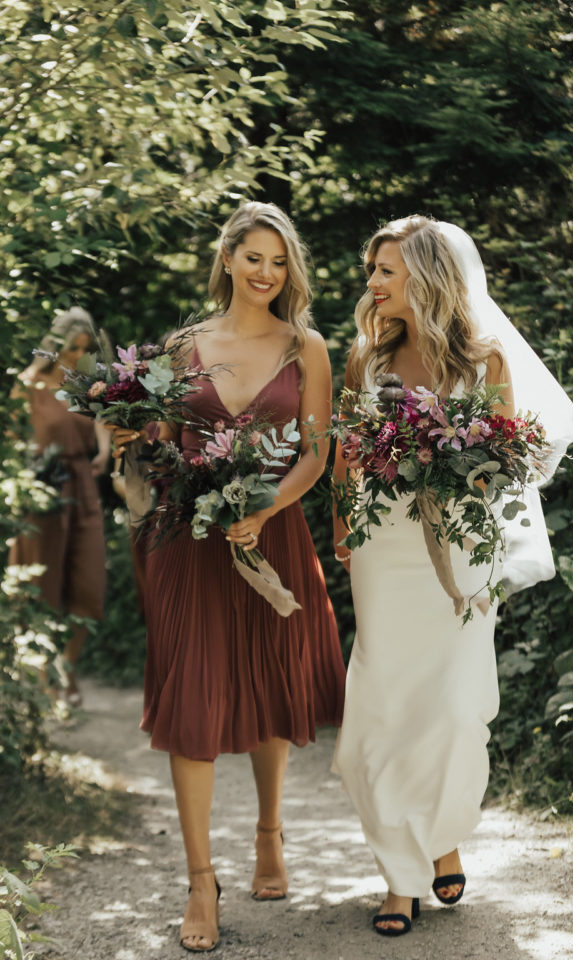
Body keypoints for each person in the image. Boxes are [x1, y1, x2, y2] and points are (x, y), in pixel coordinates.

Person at [332, 216, 573, 937]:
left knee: (448, 708)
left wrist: (455, 471)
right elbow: (348, 454)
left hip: (460, 549)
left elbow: (509, 467)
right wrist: (341, 526)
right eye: (373, 270)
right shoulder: (366, 361)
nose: (372, 283)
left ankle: (439, 838)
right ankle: (399, 878)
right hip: (383, 548)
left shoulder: (487, 361)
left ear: (425, 276)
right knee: (385, 703)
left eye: (385, 270)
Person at [111, 202, 346, 953]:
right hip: (191, 543)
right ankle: (200, 880)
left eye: (279, 262)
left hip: (272, 536)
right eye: (254, 258)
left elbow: (315, 453)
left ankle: (270, 832)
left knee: (270, 685)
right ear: (228, 259)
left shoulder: (306, 347)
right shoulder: (183, 347)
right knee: (194, 697)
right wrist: (130, 432)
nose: (267, 274)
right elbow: (159, 438)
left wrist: (267, 507)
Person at [8, 306, 109, 705]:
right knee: (41, 587)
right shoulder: (29, 384)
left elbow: (104, 422)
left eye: (83, 350)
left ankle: (67, 669)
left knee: (87, 587)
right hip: (42, 490)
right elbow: (13, 438)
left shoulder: (89, 384)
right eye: (70, 349)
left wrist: (104, 453)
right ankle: (44, 678)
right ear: (55, 346)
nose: (74, 357)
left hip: (82, 486)